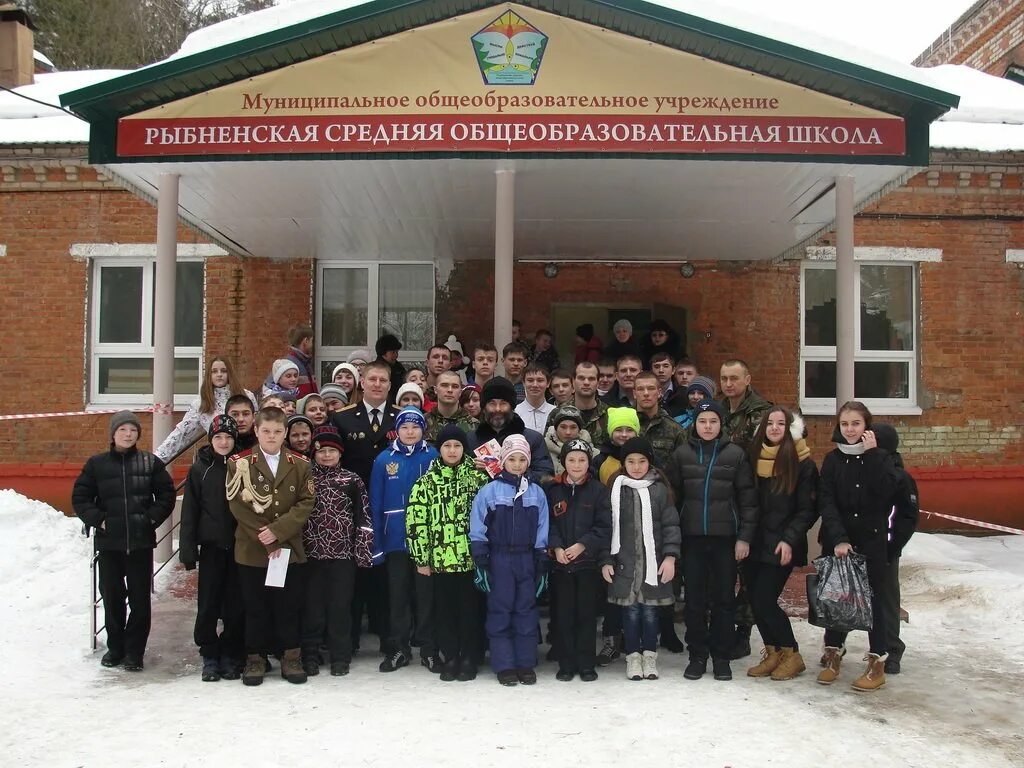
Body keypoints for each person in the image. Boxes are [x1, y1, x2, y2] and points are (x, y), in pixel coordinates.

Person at [73, 411, 176, 671]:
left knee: (140, 601)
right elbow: (81, 498)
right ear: (113, 434)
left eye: (132, 430)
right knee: (112, 596)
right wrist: (100, 520)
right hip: (109, 545)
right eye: (123, 430)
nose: (128, 435)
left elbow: (166, 495)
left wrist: (149, 519)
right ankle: (115, 647)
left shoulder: (149, 463)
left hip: (140, 544)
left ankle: (134, 652)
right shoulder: (97, 464)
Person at [666, 400, 758, 682]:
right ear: (695, 423)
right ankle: (697, 655)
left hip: (724, 540)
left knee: (723, 600)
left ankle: (721, 656)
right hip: (692, 538)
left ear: (721, 424)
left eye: (713, 421)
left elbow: (748, 501)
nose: (707, 426)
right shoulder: (682, 454)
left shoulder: (735, 454)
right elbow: (671, 499)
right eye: (703, 421)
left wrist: (744, 538)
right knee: (694, 600)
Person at [225, 406, 314, 686]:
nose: (272, 437)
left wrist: (276, 532)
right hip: (252, 549)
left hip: (287, 548)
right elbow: (237, 503)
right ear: (256, 431)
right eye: (266, 431)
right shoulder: (239, 462)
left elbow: (305, 503)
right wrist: (262, 535)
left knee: (288, 605)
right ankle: (255, 658)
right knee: (255, 606)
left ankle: (290, 657)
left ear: (285, 433)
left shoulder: (300, 463)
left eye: (277, 431)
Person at [817, 401, 903, 692]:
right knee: (838, 599)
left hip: (871, 541)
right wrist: (839, 537)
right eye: (845, 424)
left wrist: (874, 455)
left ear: (866, 427)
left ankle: (877, 662)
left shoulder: (880, 458)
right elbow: (826, 501)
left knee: (874, 601)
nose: (850, 429)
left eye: (856, 423)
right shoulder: (832, 460)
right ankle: (832, 654)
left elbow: (887, 493)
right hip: (838, 541)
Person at [406, 424, 489, 682]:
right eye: (446, 446)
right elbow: (416, 522)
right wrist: (421, 558)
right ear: (438, 449)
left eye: (457, 446)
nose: (452, 451)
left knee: (469, 611)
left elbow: (489, 518)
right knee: (444, 612)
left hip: (470, 560)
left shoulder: (478, 479)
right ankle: (450, 655)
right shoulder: (426, 483)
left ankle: (469, 657)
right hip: (440, 562)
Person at [330, 360, 402, 657]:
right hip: (352, 508)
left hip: (389, 508)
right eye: (372, 379)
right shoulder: (343, 418)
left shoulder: (402, 419)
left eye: (382, 380)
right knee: (354, 577)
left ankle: (388, 639)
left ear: (389, 385)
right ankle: (350, 642)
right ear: (362, 382)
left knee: (384, 576)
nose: (377, 384)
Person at [743, 407, 819, 682]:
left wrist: (790, 539)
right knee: (754, 599)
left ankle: (792, 653)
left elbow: (807, 510)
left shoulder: (803, 464)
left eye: (781, 423)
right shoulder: (754, 458)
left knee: (765, 598)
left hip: (782, 544)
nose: (774, 428)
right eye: (769, 423)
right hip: (755, 541)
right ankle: (773, 651)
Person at [470, 435, 550, 686]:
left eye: (522, 459)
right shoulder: (489, 491)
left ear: (528, 462)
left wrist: (541, 558)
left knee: (526, 611)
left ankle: (525, 663)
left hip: (526, 557)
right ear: (503, 461)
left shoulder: (536, 493)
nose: (517, 464)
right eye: (512, 459)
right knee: (500, 610)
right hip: (500, 557)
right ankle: (504, 664)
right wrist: (481, 559)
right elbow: (477, 526)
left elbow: (542, 527)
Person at [602, 437, 680, 682]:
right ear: (624, 463)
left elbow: (670, 525)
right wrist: (606, 559)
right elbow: (606, 527)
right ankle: (633, 655)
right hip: (624, 563)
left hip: (652, 564)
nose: (636, 467)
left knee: (649, 613)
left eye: (642, 461)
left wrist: (670, 557)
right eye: (631, 461)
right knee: (631, 613)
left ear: (650, 462)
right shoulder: (617, 489)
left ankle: (649, 654)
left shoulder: (659, 489)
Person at [301, 426, 375, 678]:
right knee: (312, 608)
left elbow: (363, 517)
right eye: (322, 451)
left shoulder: (352, 480)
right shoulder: (305, 478)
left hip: (343, 556)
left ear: (340, 453)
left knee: (340, 608)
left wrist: (363, 552)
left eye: (332, 451)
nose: (327, 456)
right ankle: (309, 654)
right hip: (311, 555)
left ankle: (340, 657)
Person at [370, 406, 439, 673]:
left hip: (426, 541)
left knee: (426, 597)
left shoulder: (433, 456)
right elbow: (375, 502)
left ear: (423, 429)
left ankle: (429, 648)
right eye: (405, 427)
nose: (410, 432)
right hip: (395, 539)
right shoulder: (383, 459)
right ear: (396, 430)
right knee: (397, 597)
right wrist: (377, 544)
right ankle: (398, 648)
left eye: (415, 427)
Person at [179, 414, 245, 682]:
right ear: (211, 440)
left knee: (235, 603)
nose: (224, 441)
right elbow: (190, 511)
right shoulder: (199, 469)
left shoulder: (244, 464)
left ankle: (231, 652)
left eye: (229, 437)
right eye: (219, 437)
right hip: (211, 546)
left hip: (239, 546)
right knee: (208, 602)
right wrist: (187, 550)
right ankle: (209, 652)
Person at [547, 438, 611, 681]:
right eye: (571, 460)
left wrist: (582, 544)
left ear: (589, 463)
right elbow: (549, 524)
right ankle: (566, 663)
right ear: (563, 462)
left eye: (582, 460)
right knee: (563, 615)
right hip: (561, 565)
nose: (576, 465)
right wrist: (557, 547)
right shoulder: (553, 490)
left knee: (586, 615)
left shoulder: (598, 491)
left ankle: (586, 663)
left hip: (587, 565)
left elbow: (603, 526)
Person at [873, 423, 918, 676]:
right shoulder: (863, 469)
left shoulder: (900, 477)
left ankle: (892, 650)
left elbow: (907, 516)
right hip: (860, 544)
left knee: (887, 599)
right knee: (847, 596)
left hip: (886, 548)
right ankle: (834, 646)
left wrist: (893, 546)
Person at [155, 356, 255, 462]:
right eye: (214, 371)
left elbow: (259, 424)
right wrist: (157, 458)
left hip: (249, 453)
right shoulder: (200, 404)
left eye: (224, 371)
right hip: (220, 459)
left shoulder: (247, 396)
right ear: (208, 375)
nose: (219, 374)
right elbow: (182, 433)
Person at [466, 377, 554, 484]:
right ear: (484, 408)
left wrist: (518, 472)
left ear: (512, 407)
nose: (497, 409)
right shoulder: (471, 439)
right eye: (492, 403)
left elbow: (546, 475)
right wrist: (472, 469)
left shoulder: (532, 438)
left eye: (503, 403)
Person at [634, 371, 686, 468]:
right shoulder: (626, 425)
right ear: (634, 393)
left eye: (651, 388)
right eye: (640, 389)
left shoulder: (675, 429)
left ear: (659, 392)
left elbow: (682, 466)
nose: (646, 393)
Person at [719, 359, 773, 451]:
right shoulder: (716, 410)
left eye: (734, 378)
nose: (728, 384)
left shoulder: (762, 412)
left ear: (747, 380)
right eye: (724, 379)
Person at [425, 370, 479, 445]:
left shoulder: (474, 424)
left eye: (455, 386)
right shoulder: (423, 422)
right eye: (444, 385)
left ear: (460, 392)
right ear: (435, 390)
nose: (450, 390)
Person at [593, 407, 640, 486]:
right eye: (618, 430)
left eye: (629, 430)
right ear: (611, 433)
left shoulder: (646, 458)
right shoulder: (600, 460)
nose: (624, 434)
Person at [544, 405, 595, 476]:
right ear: (556, 428)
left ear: (579, 430)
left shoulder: (593, 454)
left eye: (573, 427)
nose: (568, 432)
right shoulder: (542, 452)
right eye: (563, 427)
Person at [514, 363, 555, 432]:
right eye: (530, 380)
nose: (535, 385)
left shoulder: (555, 412)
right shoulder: (515, 413)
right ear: (523, 383)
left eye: (540, 380)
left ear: (548, 383)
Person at [286, 323, 318, 398]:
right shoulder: (289, 364)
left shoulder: (306, 363)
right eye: (311, 341)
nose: (312, 344)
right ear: (306, 341)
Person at [375, 333, 406, 404]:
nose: (396, 355)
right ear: (383, 353)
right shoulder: (376, 369)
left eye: (397, 352)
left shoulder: (399, 368)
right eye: (393, 352)